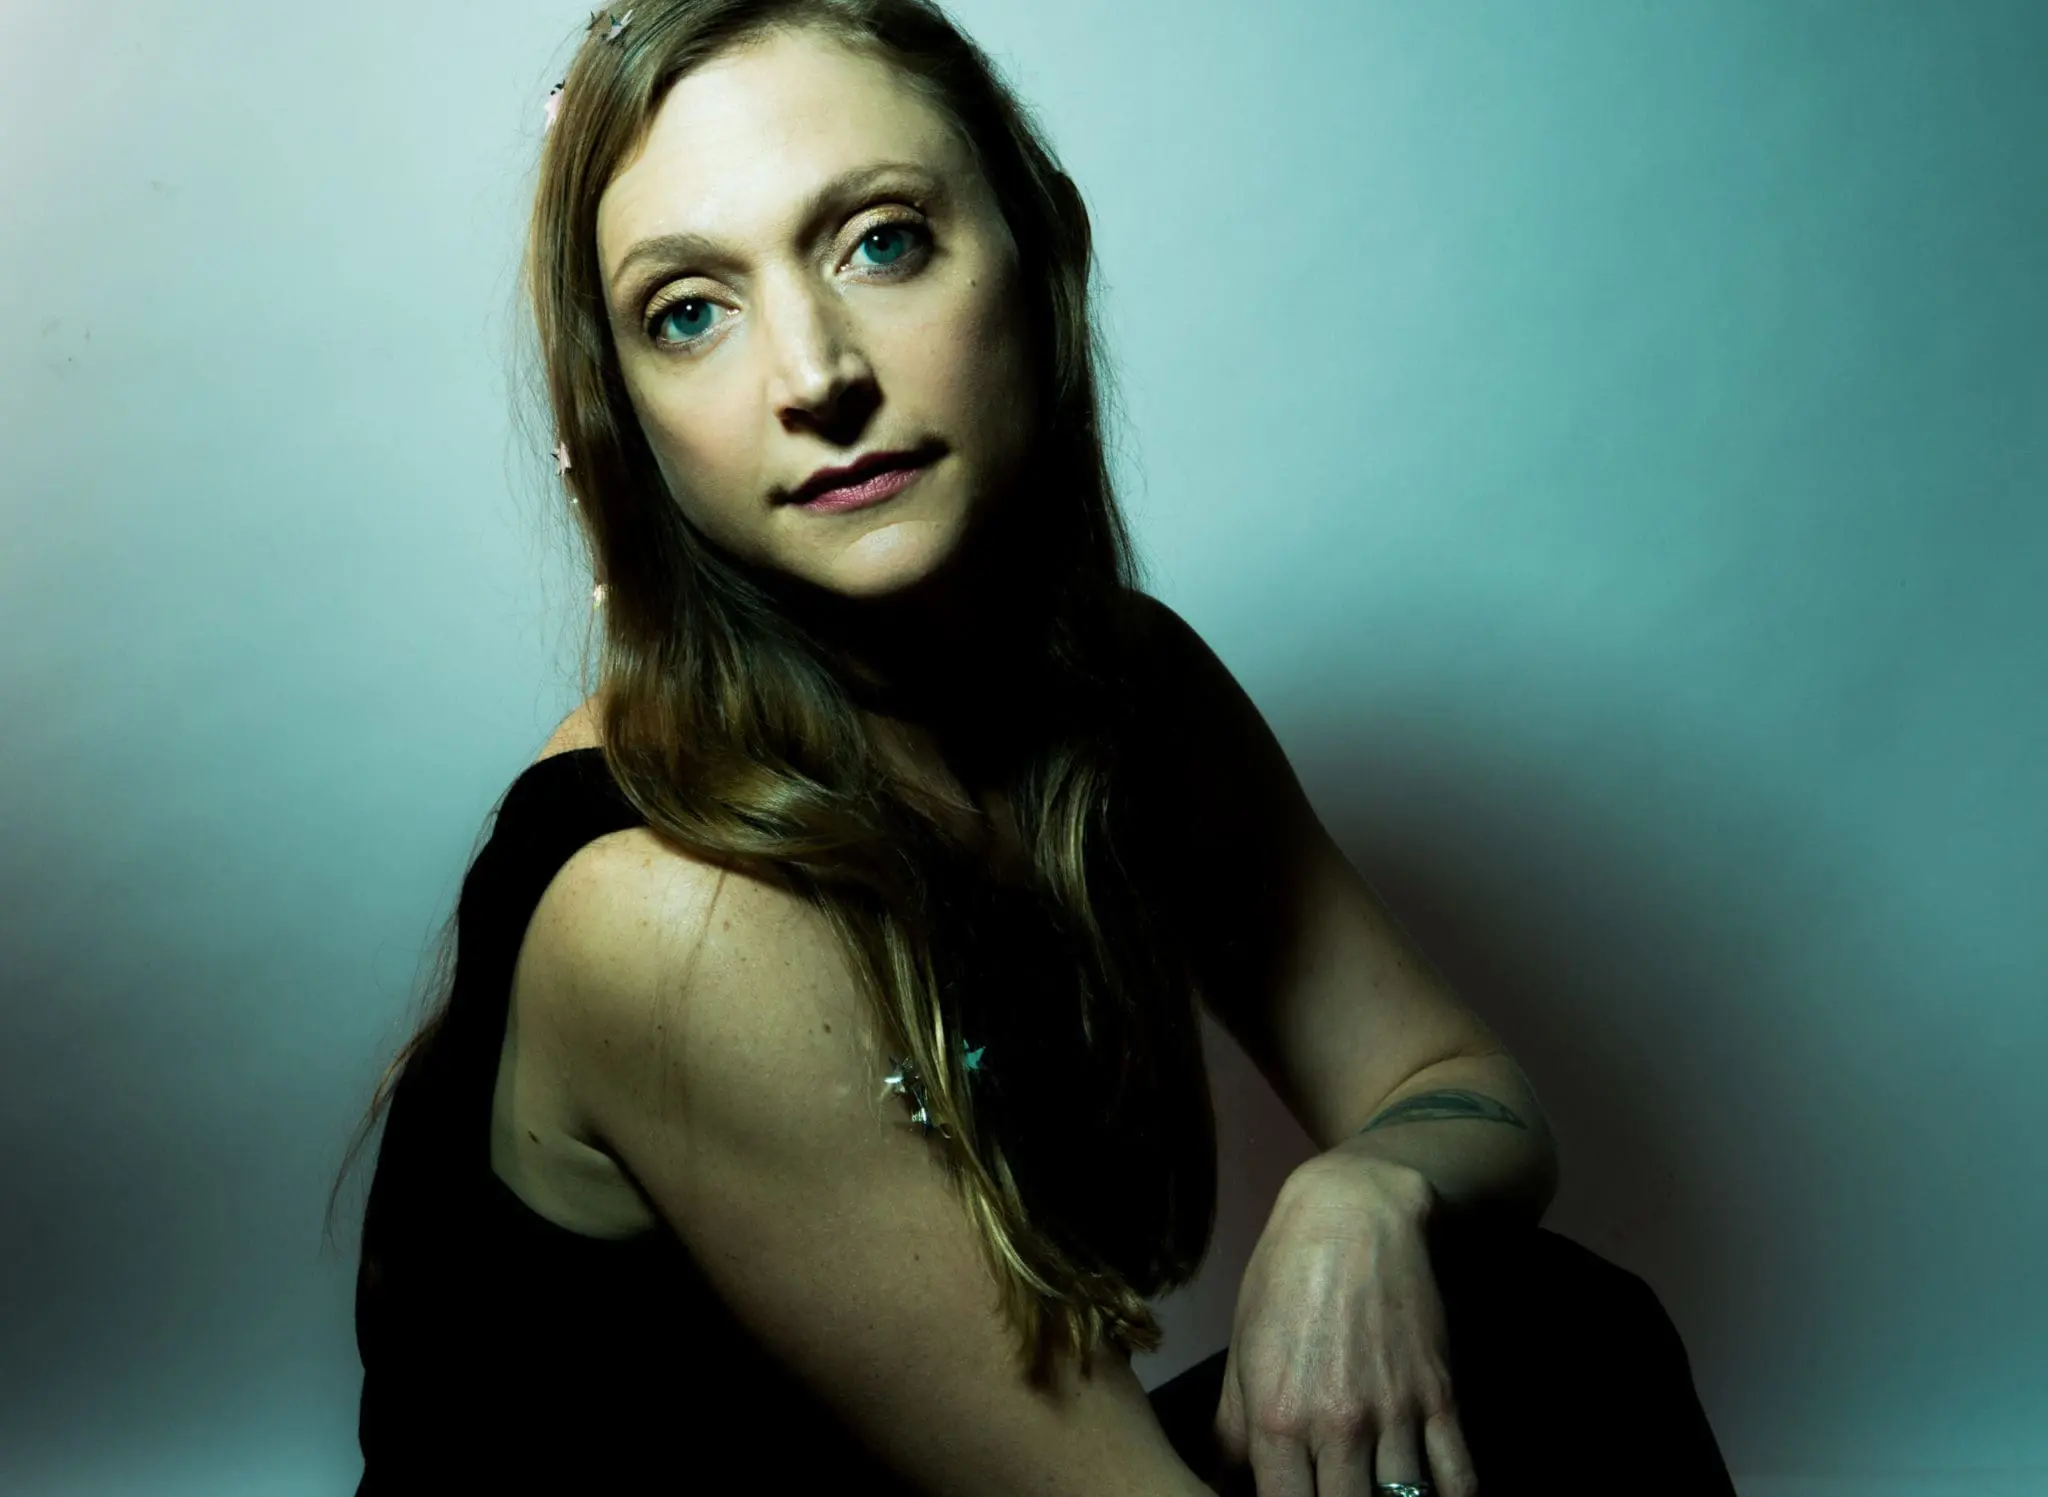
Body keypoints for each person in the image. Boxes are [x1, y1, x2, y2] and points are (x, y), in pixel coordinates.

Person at [330, 3, 1739, 1493]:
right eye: (688, 311)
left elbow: (1456, 1081)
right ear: (625, 409)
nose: (812, 376)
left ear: (1042, 244)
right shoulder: (673, 918)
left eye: (879, 242)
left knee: (1550, 1333)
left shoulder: (1126, 692)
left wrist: (1365, 1194)